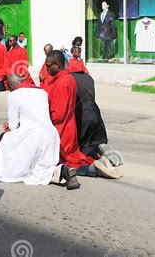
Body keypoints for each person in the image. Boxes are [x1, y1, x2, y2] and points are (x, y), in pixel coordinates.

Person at [0, 74, 80, 189]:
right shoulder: (42, 92)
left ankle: (10, 169)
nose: (9, 91)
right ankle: (63, 170)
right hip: (51, 137)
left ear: (11, 85)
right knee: (38, 170)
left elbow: (13, 126)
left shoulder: (14, 95)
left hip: (31, 137)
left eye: (9, 88)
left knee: (6, 140)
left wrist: (8, 127)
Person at [45, 50, 121, 179]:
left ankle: (92, 169)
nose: (46, 68)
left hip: (64, 128)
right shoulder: (78, 78)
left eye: (48, 65)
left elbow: (58, 114)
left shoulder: (62, 81)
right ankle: (100, 158)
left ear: (58, 65)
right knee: (77, 153)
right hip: (85, 118)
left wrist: (45, 121)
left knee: (65, 160)